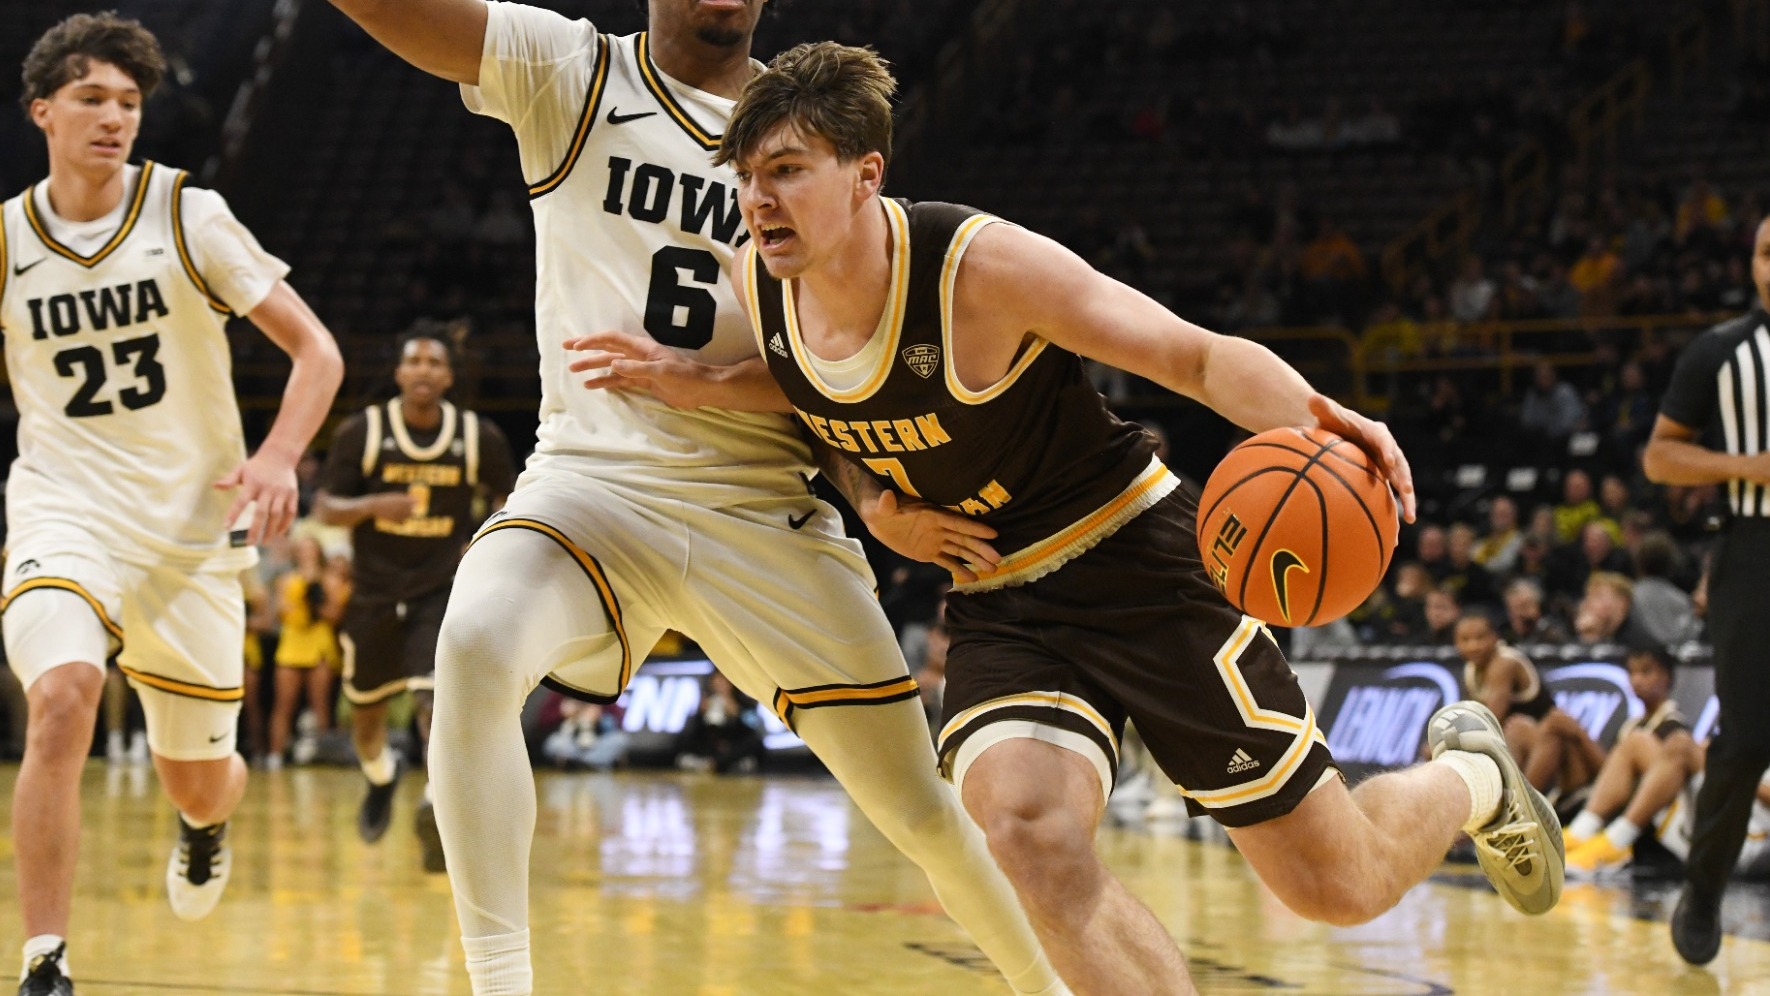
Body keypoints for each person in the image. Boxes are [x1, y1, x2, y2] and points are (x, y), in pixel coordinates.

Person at [574, 42, 1565, 992]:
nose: (758, 198)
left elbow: (1194, 358)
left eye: (786, 169)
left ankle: (1472, 777)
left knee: (1334, 886)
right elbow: (815, 395)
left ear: (866, 173)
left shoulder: (983, 270)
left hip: (1134, 558)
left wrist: (1321, 417)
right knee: (1023, 832)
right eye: (747, 173)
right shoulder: (761, 276)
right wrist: (868, 499)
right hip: (1004, 597)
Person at [322, 4, 1059, 996]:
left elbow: (832, 364)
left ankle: (1050, 990)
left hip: (762, 507)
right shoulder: (568, 73)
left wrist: (871, 493)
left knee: (920, 807)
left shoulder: (807, 139)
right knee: (478, 638)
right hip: (592, 482)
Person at [1, 14, 343, 995]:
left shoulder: (189, 216)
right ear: (42, 111)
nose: (114, 118)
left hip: (193, 538)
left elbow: (316, 351)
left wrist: (280, 456)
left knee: (199, 779)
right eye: (92, 99)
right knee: (62, 698)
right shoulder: (8, 240)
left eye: (129, 102)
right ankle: (45, 962)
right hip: (65, 512)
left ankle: (203, 827)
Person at [313, 332, 516, 873]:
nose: (424, 370)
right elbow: (326, 507)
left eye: (435, 363)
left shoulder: (476, 437)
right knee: (367, 720)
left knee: (435, 698)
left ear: (448, 377)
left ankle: (435, 801)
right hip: (374, 592)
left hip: (441, 588)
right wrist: (373, 504)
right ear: (399, 374)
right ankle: (381, 777)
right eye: (414, 361)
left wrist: (488, 538)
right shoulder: (366, 432)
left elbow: (515, 495)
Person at [1641, 213, 1770, 964]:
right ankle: (1705, 889)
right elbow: (1659, 458)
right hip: (1754, 553)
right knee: (1749, 734)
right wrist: (1745, 467)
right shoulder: (1721, 353)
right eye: (1765, 251)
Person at [1562, 646, 1698, 875]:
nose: (1637, 680)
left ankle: (1603, 840)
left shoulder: (1674, 725)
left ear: (1666, 678)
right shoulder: (1631, 725)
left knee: (1637, 742)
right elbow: (1611, 776)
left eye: (1646, 672)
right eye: (1632, 673)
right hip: (1639, 816)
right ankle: (1582, 833)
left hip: (1673, 816)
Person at [1455, 612, 1604, 798]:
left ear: (1495, 637)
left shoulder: (1504, 663)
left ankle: (1520, 804)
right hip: (1533, 755)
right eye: (1465, 639)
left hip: (1563, 758)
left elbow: (1490, 719)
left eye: (1480, 637)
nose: (1473, 645)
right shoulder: (1470, 670)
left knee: (1518, 727)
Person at [267, 534, 346, 767]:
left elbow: (335, 615)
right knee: (283, 703)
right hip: (292, 642)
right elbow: (282, 611)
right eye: (302, 549)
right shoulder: (285, 580)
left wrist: (317, 602)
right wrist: (303, 602)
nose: (306, 553)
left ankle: (322, 754)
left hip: (319, 642)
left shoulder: (330, 580)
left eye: (311, 549)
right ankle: (275, 755)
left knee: (320, 702)